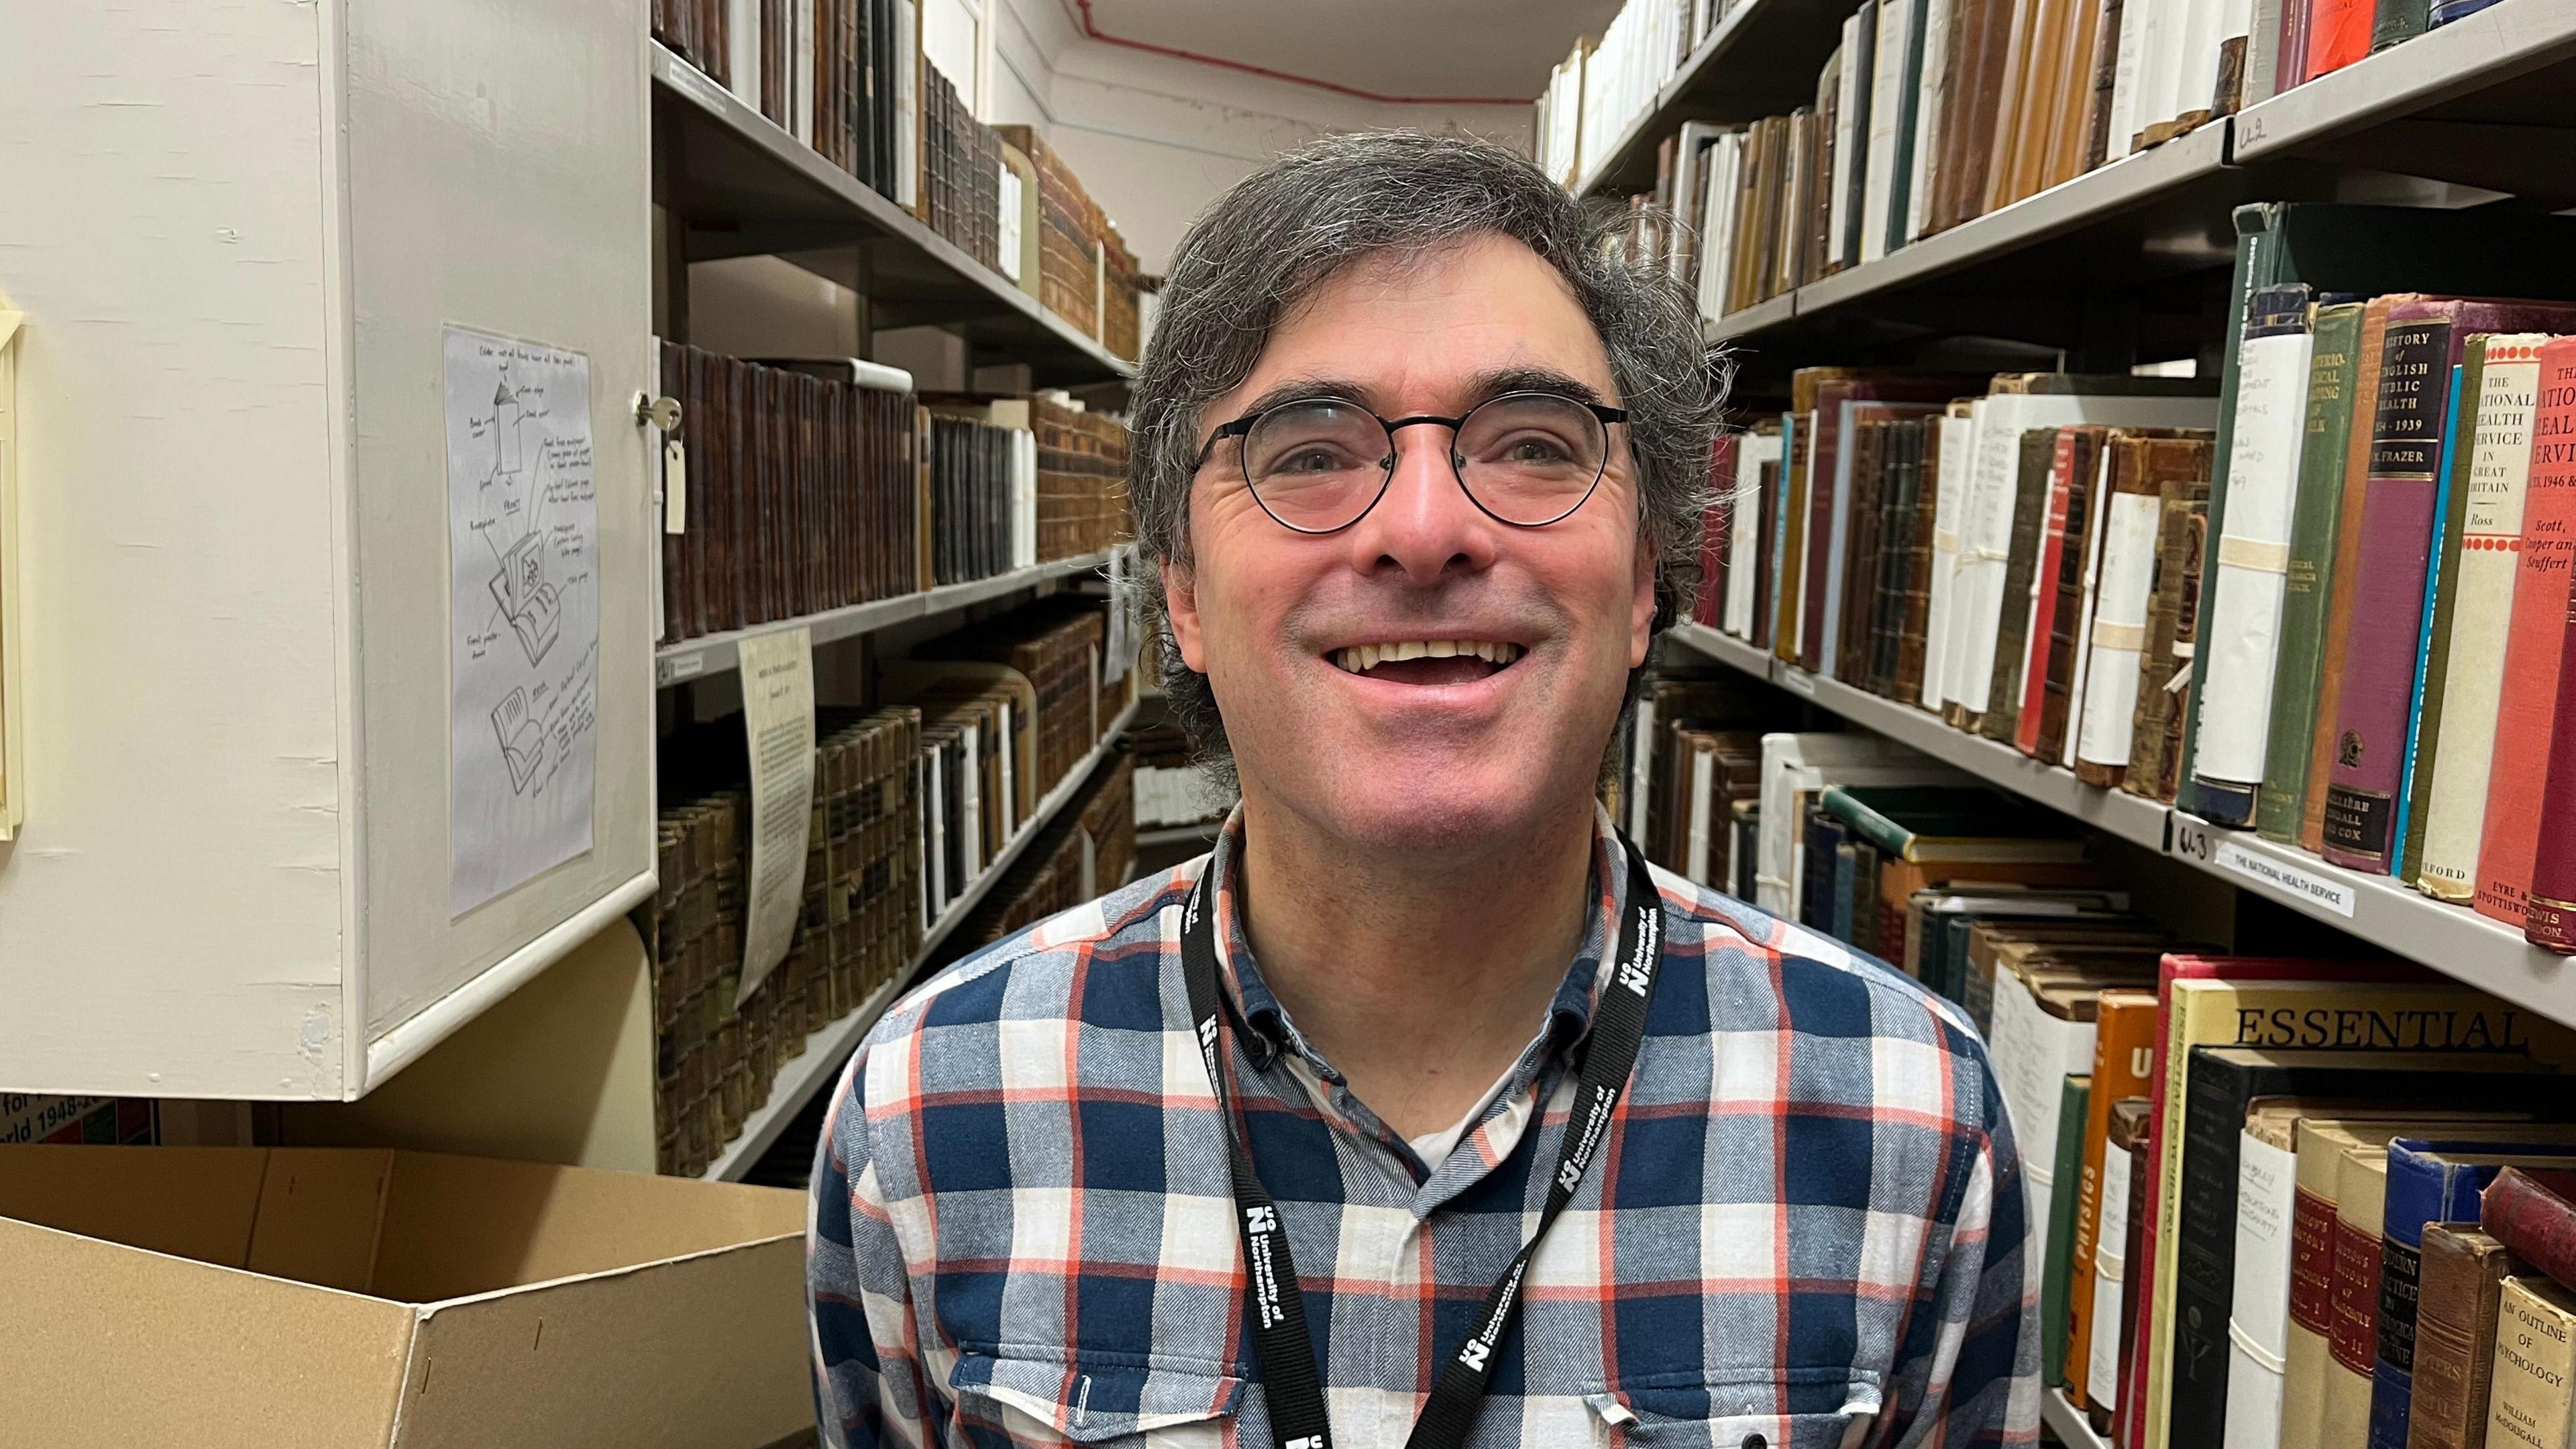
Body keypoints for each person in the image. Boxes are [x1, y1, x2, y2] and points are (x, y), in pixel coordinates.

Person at [809, 129, 2038, 1449]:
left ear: (1642, 585)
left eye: (1531, 444)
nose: (1425, 528)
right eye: (1308, 453)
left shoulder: (1913, 1126)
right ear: (1182, 599)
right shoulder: (929, 1118)